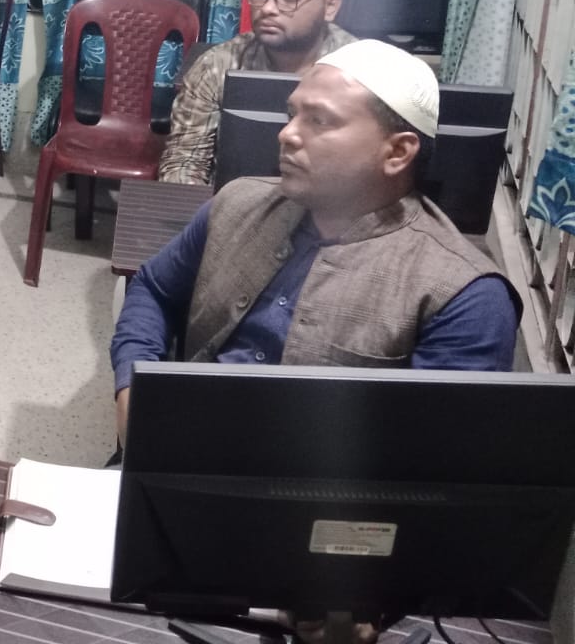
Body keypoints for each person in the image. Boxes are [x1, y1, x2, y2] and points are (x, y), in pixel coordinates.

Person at [112, 38, 520, 444]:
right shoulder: (237, 202)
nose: (287, 134)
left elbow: (438, 457)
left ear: (397, 152)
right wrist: (133, 385)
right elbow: (154, 288)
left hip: (322, 484)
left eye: (320, 121)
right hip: (178, 450)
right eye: (292, 115)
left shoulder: (467, 297)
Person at [159, 0, 357, 186]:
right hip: (233, 202)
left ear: (330, 7)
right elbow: (184, 161)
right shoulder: (219, 65)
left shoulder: (361, 73)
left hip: (329, 206)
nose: (267, 9)